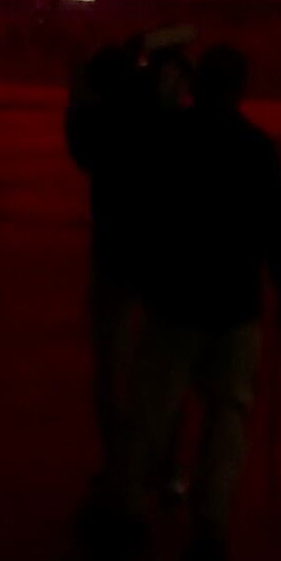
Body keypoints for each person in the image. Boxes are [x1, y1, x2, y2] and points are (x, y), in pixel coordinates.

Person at [120, 44, 281, 561]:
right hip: (233, 305)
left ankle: (129, 508)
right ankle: (211, 528)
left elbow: (145, 214)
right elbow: (279, 225)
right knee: (228, 416)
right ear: (240, 89)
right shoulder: (256, 149)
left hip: (175, 299)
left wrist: (144, 275)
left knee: (153, 408)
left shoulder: (169, 140)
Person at [67, 32, 181, 487]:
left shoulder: (97, 127)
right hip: (160, 254)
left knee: (111, 369)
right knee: (163, 367)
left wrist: (80, 91)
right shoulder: (160, 122)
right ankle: (166, 464)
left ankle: (120, 463)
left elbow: (78, 137)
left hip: (113, 254)